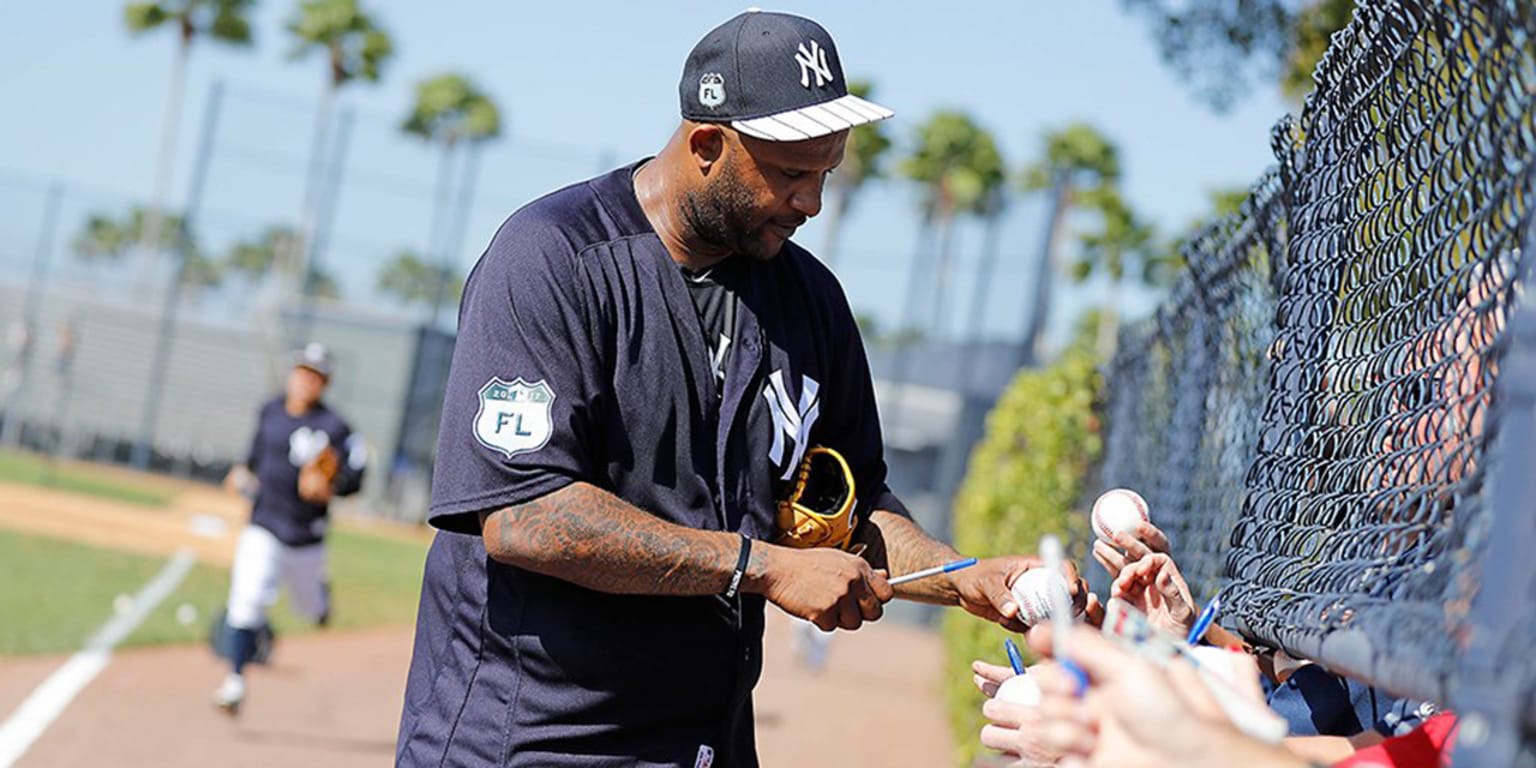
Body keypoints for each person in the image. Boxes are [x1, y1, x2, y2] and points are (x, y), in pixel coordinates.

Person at [396, 11, 1066, 766]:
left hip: (707, 738)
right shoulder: (552, 258)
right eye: (789, 173)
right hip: (534, 738)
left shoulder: (811, 302)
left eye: (825, 173)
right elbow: (523, 514)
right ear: (708, 145)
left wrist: (967, 577)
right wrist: (764, 565)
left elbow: (854, 513)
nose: (811, 202)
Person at [211, 342, 367, 715]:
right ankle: (235, 682)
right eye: (301, 372)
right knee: (246, 600)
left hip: (306, 536)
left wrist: (335, 485)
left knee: (308, 608)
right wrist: (240, 472)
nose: (305, 381)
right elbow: (251, 457)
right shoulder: (269, 411)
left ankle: (320, 599)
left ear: (324, 383)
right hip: (264, 524)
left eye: (314, 376)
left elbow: (356, 477)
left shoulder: (336, 427)